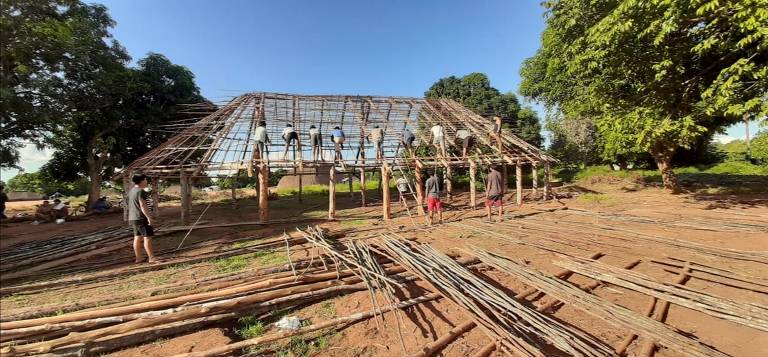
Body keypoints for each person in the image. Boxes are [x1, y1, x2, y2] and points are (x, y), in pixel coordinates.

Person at [127, 174, 158, 263]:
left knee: (137, 237)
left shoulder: (132, 191)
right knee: (147, 237)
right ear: (142, 180)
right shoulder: (141, 191)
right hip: (141, 217)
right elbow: (143, 205)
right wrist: (149, 217)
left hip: (133, 218)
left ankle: (139, 258)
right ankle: (151, 258)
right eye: (146, 179)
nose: (146, 181)